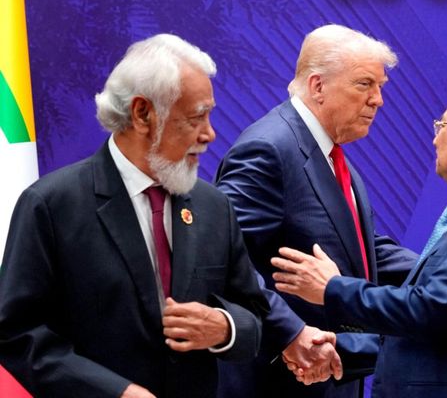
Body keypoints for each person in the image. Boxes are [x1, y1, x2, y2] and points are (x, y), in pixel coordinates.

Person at [0, 34, 338, 398]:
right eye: (196, 117)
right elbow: (17, 334)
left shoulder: (213, 207)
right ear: (142, 114)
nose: (210, 134)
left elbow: (254, 313)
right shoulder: (52, 205)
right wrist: (116, 393)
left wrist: (225, 328)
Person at [271, 81, 447, 398]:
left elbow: (428, 310)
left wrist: (331, 288)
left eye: (443, 125)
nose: (435, 138)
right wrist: (343, 348)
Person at [215, 24, 418, 398]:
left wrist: (442, 271)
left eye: (379, 87)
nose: (378, 100)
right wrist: (290, 332)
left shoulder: (329, 152)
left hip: (331, 379)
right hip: (281, 380)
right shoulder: (268, 149)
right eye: (364, 85)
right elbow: (222, 258)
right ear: (317, 86)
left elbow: (362, 248)